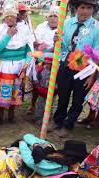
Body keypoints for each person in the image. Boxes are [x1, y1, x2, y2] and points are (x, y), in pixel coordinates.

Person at [50, 0, 99, 137]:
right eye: (82, 7)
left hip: (85, 70)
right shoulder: (66, 23)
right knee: (63, 95)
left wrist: (92, 76)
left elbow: (97, 53)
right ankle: (58, 120)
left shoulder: (97, 28)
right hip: (66, 65)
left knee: (78, 99)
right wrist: (56, 40)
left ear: (93, 10)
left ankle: (68, 124)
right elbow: (61, 46)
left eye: (89, 8)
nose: (85, 11)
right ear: (76, 8)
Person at [0, 0, 32, 124]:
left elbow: (29, 49)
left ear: (17, 16)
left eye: (12, 16)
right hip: (5, 66)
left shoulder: (24, 29)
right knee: (4, 90)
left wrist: (27, 63)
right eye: (7, 16)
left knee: (16, 90)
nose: (10, 18)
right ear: (3, 17)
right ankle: (0, 112)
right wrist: (8, 35)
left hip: (20, 66)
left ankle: (12, 112)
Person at [27, 6, 59, 115]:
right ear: (47, 17)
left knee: (51, 87)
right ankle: (33, 105)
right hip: (39, 59)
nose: (53, 19)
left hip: (54, 63)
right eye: (50, 16)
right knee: (37, 84)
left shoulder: (62, 29)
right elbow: (34, 41)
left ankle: (48, 111)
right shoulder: (41, 27)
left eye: (55, 16)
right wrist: (35, 43)